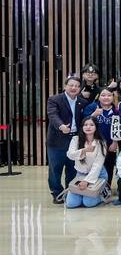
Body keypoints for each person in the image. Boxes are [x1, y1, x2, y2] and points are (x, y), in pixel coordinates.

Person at [46, 76, 88, 204]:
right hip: (57, 140)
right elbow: (53, 115)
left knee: (73, 169)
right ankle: (57, 193)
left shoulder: (82, 102)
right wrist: (61, 126)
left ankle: (70, 192)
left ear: (79, 88)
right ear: (65, 86)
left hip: (75, 140)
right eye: (71, 85)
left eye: (77, 86)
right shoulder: (54, 99)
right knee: (55, 169)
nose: (74, 88)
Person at [64, 117, 109, 208]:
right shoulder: (75, 139)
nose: (88, 127)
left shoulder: (101, 143)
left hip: (98, 175)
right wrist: (84, 150)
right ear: (82, 127)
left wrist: (87, 181)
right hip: (80, 175)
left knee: (88, 203)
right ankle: (82, 195)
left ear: (96, 127)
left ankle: (103, 194)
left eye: (91, 125)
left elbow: (98, 165)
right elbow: (70, 155)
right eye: (85, 125)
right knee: (71, 204)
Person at [82, 87, 120, 183]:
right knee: (93, 166)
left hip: (110, 143)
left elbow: (119, 127)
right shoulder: (92, 107)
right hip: (94, 143)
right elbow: (83, 123)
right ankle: (92, 186)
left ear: (113, 97)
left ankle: (107, 187)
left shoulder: (116, 110)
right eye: (103, 95)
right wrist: (94, 115)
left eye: (109, 95)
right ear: (98, 97)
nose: (106, 97)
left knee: (109, 166)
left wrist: (115, 142)